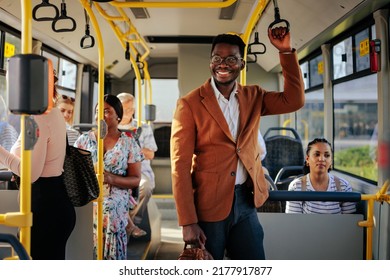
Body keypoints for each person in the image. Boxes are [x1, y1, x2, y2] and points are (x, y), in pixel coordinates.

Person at [170, 28, 305, 260]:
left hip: (246, 201)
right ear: (210, 62)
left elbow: (295, 99)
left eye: (231, 58)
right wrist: (188, 221)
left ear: (242, 64)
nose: (223, 64)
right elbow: (180, 166)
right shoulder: (189, 104)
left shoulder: (254, 96)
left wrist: (285, 51)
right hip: (208, 205)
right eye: (217, 58)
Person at [0, 71, 76, 260]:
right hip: (54, 202)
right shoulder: (52, 113)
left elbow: (31, 173)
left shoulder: (38, 119)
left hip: (45, 209)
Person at [74, 94, 144, 260]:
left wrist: (111, 179)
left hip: (116, 193)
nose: (101, 116)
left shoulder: (128, 143)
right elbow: (74, 173)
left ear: (118, 115)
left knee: (108, 208)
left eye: (106, 112)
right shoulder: (83, 141)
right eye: (98, 111)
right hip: (89, 192)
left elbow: (135, 179)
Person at [117, 92, 158, 237]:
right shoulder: (109, 126)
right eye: (123, 109)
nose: (127, 113)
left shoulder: (143, 128)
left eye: (130, 109)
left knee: (144, 187)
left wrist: (132, 148)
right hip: (115, 170)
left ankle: (131, 222)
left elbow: (151, 154)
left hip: (140, 171)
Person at [285, 138, 356, 214]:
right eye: (317, 154)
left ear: (331, 161)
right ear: (307, 159)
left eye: (327, 155)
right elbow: (293, 222)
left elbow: (349, 222)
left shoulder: (343, 187)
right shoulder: (296, 186)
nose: (322, 159)